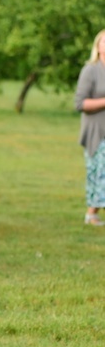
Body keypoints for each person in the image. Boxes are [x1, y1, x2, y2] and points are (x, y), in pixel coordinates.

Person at [75, 29, 105, 226]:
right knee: (98, 172)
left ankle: (93, 213)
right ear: (98, 46)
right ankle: (91, 213)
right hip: (97, 131)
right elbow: (80, 104)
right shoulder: (91, 70)